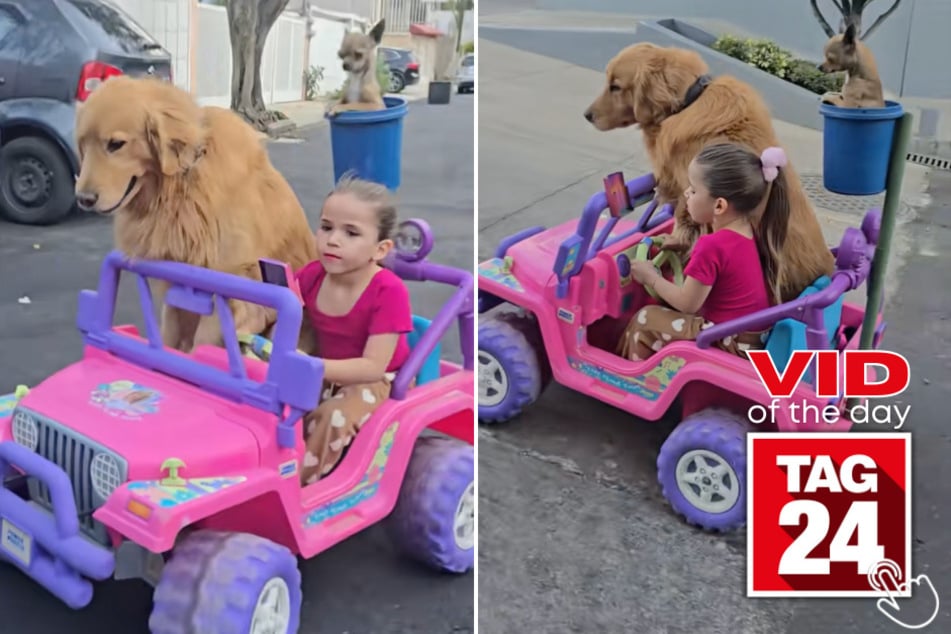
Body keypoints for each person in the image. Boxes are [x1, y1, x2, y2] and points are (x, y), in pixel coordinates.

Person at [617, 143, 792, 361]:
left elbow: (687, 304)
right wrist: (686, 246)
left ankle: (633, 377)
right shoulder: (748, 230)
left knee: (645, 319)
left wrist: (651, 277)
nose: (686, 193)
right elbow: (723, 263)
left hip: (726, 341)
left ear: (719, 206)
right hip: (749, 339)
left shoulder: (711, 245)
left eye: (693, 190)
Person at [293, 173, 413, 484]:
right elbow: (282, 313)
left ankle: (299, 486)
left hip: (379, 381)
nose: (333, 240)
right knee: (276, 398)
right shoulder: (312, 275)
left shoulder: (388, 291)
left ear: (380, 249)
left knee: (332, 417)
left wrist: (312, 367)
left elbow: (373, 367)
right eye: (326, 227)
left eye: (351, 233)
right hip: (325, 369)